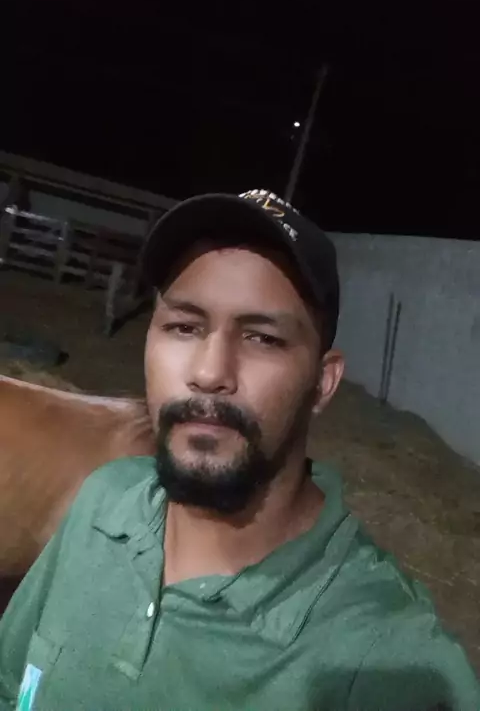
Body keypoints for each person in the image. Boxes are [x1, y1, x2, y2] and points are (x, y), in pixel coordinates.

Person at [0, 188, 478, 711]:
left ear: (323, 383)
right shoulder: (101, 503)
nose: (209, 373)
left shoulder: (391, 664)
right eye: (184, 327)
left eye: (262, 338)